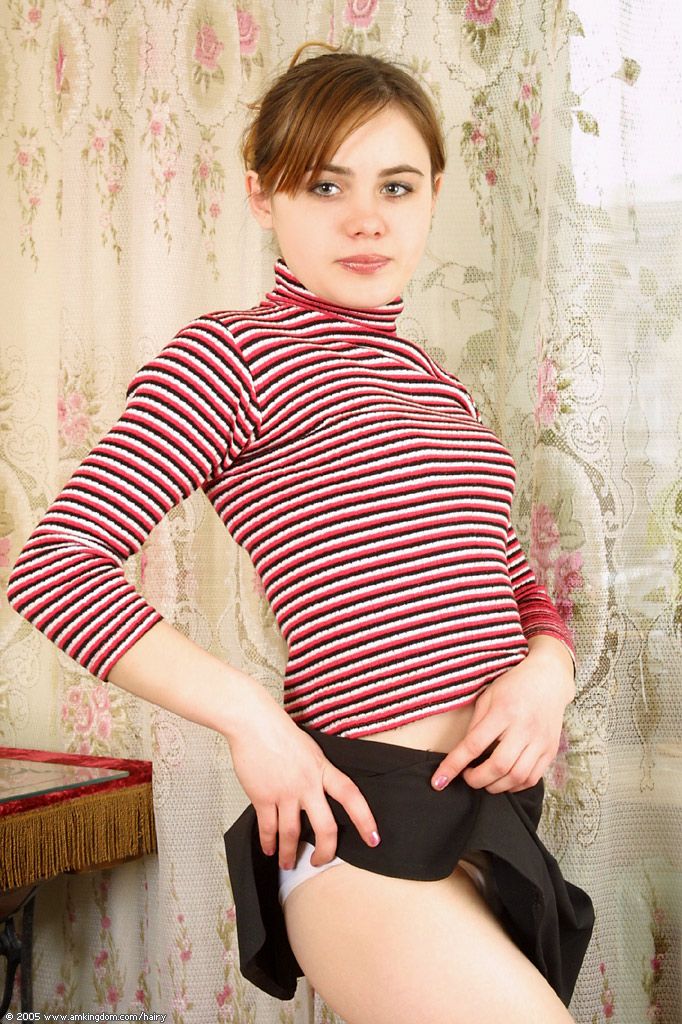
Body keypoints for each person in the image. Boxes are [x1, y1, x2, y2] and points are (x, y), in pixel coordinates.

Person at [7, 45, 594, 1024]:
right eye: (325, 184)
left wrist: (550, 672)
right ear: (262, 194)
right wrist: (254, 721)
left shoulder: (441, 389)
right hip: (365, 825)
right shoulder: (232, 354)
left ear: (431, 197)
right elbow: (54, 569)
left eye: (396, 185)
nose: (366, 217)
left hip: (488, 826)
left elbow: (515, 579)